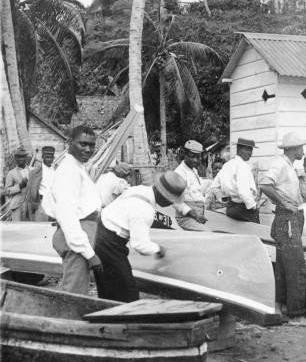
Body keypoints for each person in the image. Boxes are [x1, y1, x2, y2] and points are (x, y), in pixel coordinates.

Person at [94, 170, 186, 302]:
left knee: (108, 286)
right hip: (108, 242)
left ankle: (106, 312)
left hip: (101, 230)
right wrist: (159, 249)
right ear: (162, 195)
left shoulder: (140, 190)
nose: (171, 204)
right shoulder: (144, 209)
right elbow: (140, 245)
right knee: (127, 292)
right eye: (170, 200)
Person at [42, 126, 102, 295]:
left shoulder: (77, 167)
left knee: (78, 288)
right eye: (83, 144)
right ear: (69, 143)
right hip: (76, 239)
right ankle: (67, 320)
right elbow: (67, 215)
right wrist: (89, 253)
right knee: (74, 293)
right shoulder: (68, 171)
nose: (88, 149)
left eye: (91, 145)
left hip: (81, 234)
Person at [259, 132, 306, 321]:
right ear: (294, 148)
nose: (303, 150)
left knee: (282, 266)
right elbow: (265, 184)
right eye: (301, 147)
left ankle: (278, 306)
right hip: (287, 219)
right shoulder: (280, 164)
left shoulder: (289, 166)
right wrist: (284, 203)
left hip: (288, 218)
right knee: (296, 267)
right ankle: (296, 313)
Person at [212, 138, 260, 222]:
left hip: (231, 207)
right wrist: (253, 206)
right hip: (244, 209)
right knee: (256, 234)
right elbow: (243, 191)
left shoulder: (227, 165)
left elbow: (214, 186)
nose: (250, 153)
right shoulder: (243, 166)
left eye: (251, 150)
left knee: (235, 233)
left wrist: (223, 200)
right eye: (247, 149)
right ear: (239, 149)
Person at [174, 140, 208, 229]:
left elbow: (198, 190)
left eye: (198, 157)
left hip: (198, 217)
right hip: (186, 218)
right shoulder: (179, 173)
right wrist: (195, 214)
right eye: (192, 156)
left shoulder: (193, 171)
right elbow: (176, 202)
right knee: (207, 236)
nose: (195, 160)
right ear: (184, 154)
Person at [4, 147, 30, 221]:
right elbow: (7, 191)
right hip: (17, 206)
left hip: (30, 206)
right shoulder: (11, 173)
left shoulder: (32, 170)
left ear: (26, 157)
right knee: (17, 228)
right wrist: (20, 186)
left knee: (31, 229)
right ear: (15, 158)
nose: (20, 159)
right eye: (18, 157)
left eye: (22, 156)